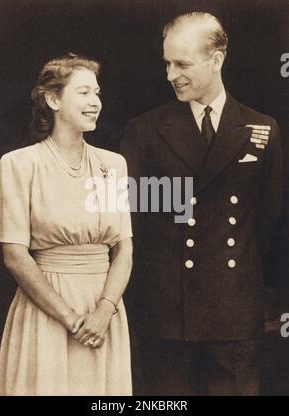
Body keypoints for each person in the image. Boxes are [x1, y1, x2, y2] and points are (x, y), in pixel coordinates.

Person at [121, 12, 284, 396]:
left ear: (217, 59)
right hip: (165, 314)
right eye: (167, 63)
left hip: (233, 314)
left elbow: (270, 223)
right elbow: (134, 220)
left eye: (182, 64)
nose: (170, 74)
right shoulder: (144, 131)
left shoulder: (263, 129)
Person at [0, 53, 133, 396]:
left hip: (103, 311)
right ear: (53, 99)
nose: (95, 102)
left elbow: (124, 247)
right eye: (84, 92)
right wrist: (70, 318)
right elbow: (14, 254)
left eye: (97, 93)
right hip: (46, 311)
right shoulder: (19, 165)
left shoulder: (112, 165)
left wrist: (103, 311)